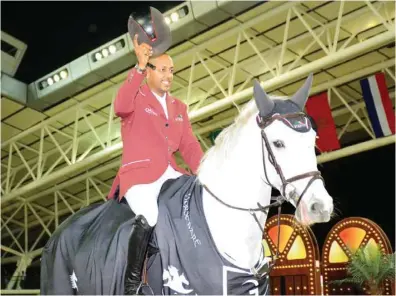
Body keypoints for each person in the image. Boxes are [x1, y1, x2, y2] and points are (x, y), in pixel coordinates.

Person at [107, 34, 204, 294]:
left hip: (172, 173)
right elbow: (120, 105)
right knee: (149, 215)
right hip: (139, 176)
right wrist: (137, 67)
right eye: (162, 70)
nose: (168, 75)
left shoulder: (179, 107)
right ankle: (132, 284)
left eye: (171, 70)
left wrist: (206, 171)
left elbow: (190, 146)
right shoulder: (135, 97)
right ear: (148, 71)